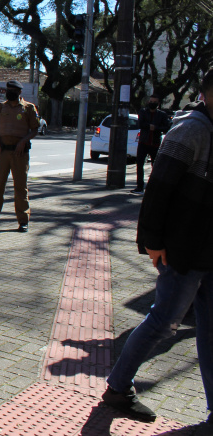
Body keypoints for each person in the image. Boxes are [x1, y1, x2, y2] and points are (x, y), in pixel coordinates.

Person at [100, 69, 213, 424]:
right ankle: (118, 388)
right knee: (164, 321)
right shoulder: (193, 128)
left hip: (208, 248)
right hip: (184, 247)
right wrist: (152, 241)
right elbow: (159, 187)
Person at [0, 80, 39, 233]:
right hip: (2, 152)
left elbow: (34, 129)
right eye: (8, 90)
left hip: (19, 153)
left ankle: (23, 221)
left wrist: (23, 141)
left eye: (13, 90)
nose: (9, 92)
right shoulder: (1, 106)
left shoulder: (28, 108)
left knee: (20, 188)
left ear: (19, 92)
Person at [132, 94, 170, 194]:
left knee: (155, 166)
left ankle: (153, 187)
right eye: (151, 101)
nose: (152, 104)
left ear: (158, 104)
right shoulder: (143, 112)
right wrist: (150, 126)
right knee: (139, 164)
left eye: (154, 102)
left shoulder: (162, 115)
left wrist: (156, 128)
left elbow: (166, 127)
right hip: (143, 142)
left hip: (155, 143)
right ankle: (140, 186)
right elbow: (140, 124)